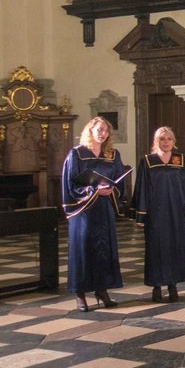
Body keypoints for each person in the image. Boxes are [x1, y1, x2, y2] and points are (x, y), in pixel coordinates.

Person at [62, 117, 125, 312]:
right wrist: (92, 190)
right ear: (90, 131)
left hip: (104, 207)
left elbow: (119, 181)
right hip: (84, 211)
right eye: (99, 129)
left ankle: (102, 289)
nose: (102, 133)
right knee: (84, 249)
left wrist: (110, 189)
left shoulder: (112, 154)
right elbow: (71, 183)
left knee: (103, 249)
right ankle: (80, 294)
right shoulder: (77, 154)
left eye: (106, 130)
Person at [132, 126, 185, 303]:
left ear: (174, 142)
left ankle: (173, 285)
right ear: (155, 141)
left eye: (169, 139)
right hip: (155, 213)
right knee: (155, 249)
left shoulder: (181, 160)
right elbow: (142, 188)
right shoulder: (148, 161)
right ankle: (157, 286)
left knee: (176, 247)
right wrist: (141, 214)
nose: (165, 142)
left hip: (177, 211)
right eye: (162, 138)